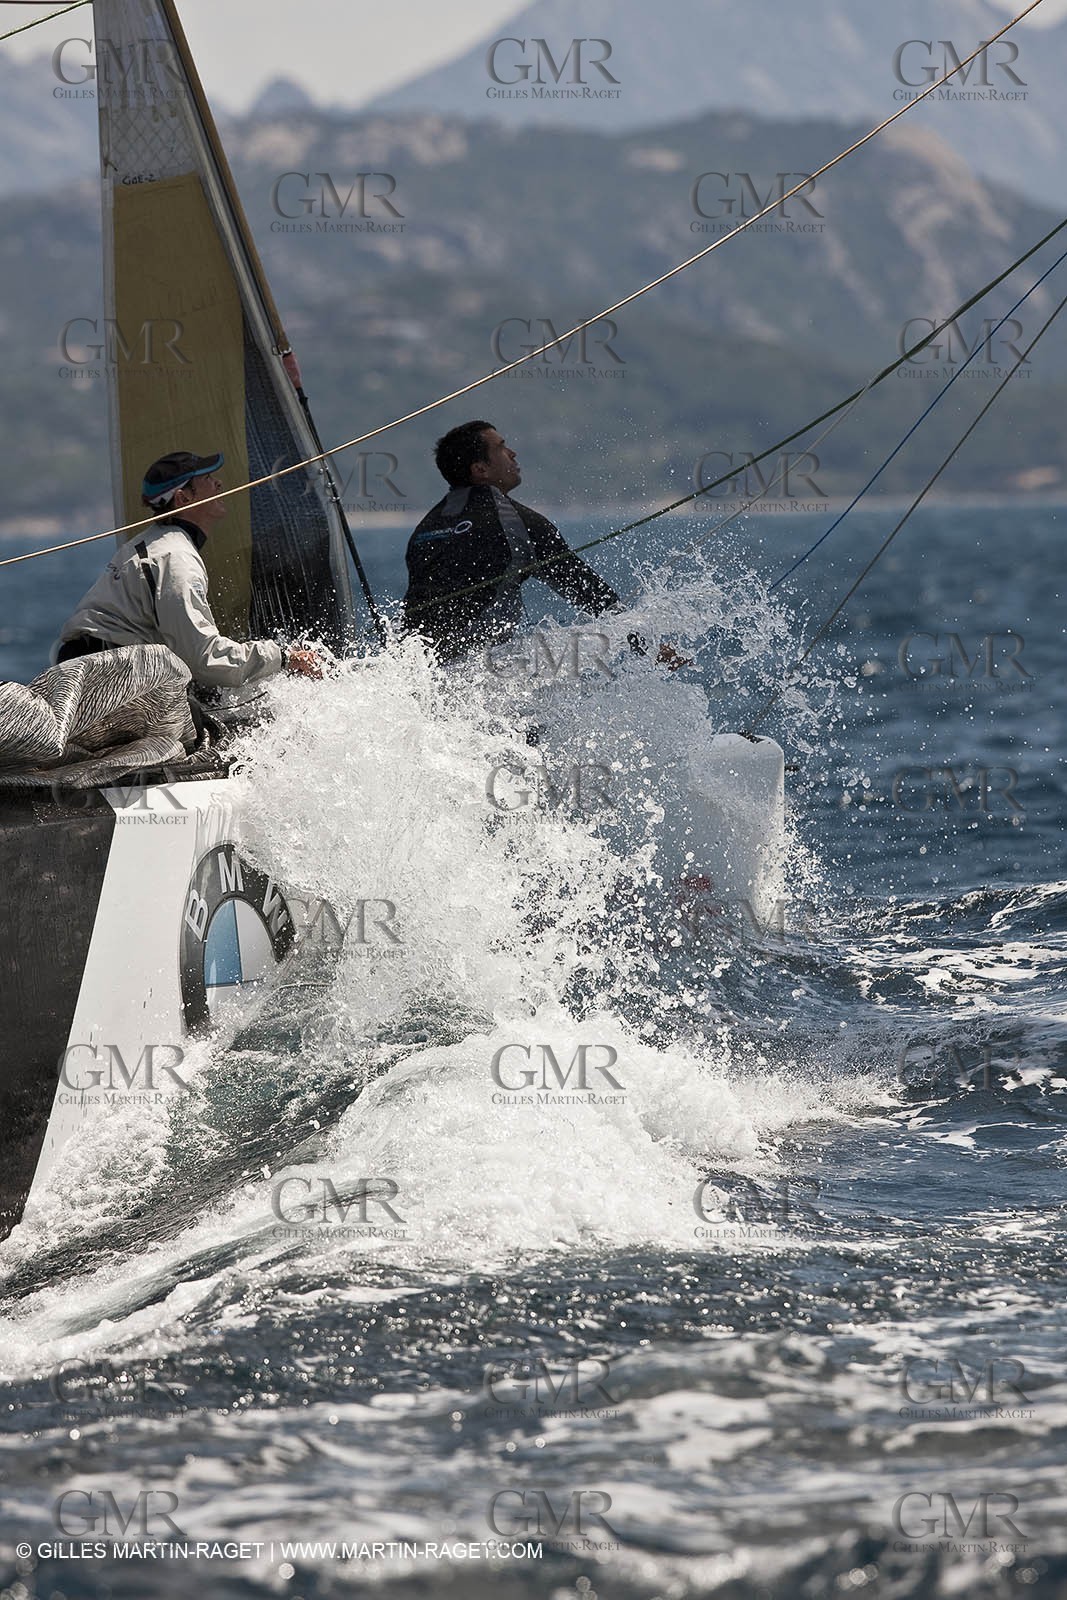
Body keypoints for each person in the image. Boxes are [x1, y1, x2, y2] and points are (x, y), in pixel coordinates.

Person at [402, 421, 685, 667]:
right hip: (479, 674)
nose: (512, 454)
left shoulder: (426, 529)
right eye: (501, 448)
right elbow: (586, 588)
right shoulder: (514, 522)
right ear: (480, 469)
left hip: (417, 670)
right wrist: (648, 646)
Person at [55, 450, 322, 688]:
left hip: (82, 668)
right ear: (183, 498)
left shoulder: (151, 543)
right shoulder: (176, 558)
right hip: (107, 675)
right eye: (207, 479)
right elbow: (204, 657)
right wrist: (284, 657)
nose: (219, 483)